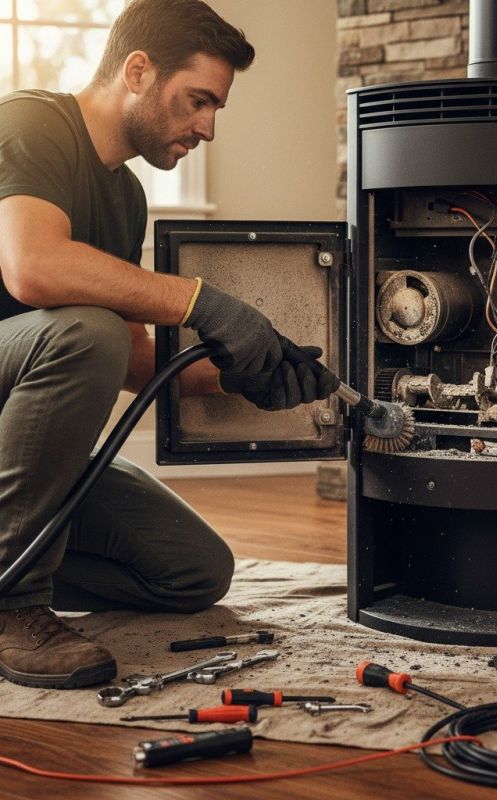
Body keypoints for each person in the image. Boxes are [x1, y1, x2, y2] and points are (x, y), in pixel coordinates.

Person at [0, 0, 334, 690]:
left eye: (216, 108)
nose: (208, 128)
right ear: (138, 71)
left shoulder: (124, 199)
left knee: (193, 569)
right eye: (197, 101)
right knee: (83, 331)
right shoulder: (27, 122)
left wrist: (239, 376)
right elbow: (33, 267)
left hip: (19, 447)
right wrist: (204, 302)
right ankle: (11, 603)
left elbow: (126, 357)